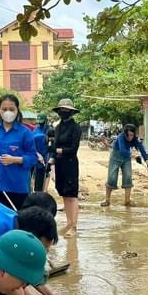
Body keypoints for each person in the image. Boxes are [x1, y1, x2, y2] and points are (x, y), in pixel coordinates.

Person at [0, 94, 36, 210]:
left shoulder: (25, 132)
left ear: (17, 110)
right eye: (4, 109)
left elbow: (33, 157)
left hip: (19, 185)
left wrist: (15, 159)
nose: (8, 112)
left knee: (18, 219)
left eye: (11, 109)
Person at [102, 124, 148, 207]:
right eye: (128, 135)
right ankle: (107, 200)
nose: (130, 137)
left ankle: (127, 201)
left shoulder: (135, 138)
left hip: (126, 159)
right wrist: (135, 156)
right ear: (125, 133)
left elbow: (142, 150)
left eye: (132, 135)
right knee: (112, 177)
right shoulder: (120, 137)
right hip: (115, 157)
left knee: (128, 176)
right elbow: (122, 151)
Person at [51, 98, 82, 236]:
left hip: (70, 163)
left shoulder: (76, 128)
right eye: (62, 110)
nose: (64, 112)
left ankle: (74, 226)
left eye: (66, 110)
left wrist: (58, 150)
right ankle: (69, 223)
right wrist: (53, 157)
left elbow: (73, 148)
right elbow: (54, 145)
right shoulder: (57, 127)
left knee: (72, 194)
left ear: (71, 112)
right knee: (63, 192)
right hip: (59, 163)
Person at [32, 116, 49, 192]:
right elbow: (30, 145)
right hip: (36, 156)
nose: (40, 124)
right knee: (35, 177)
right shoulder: (35, 131)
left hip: (46, 156)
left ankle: (43, 192)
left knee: (45, 175)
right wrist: (37, 154)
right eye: (39, 122)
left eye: (42, 122)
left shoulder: (49, 130)